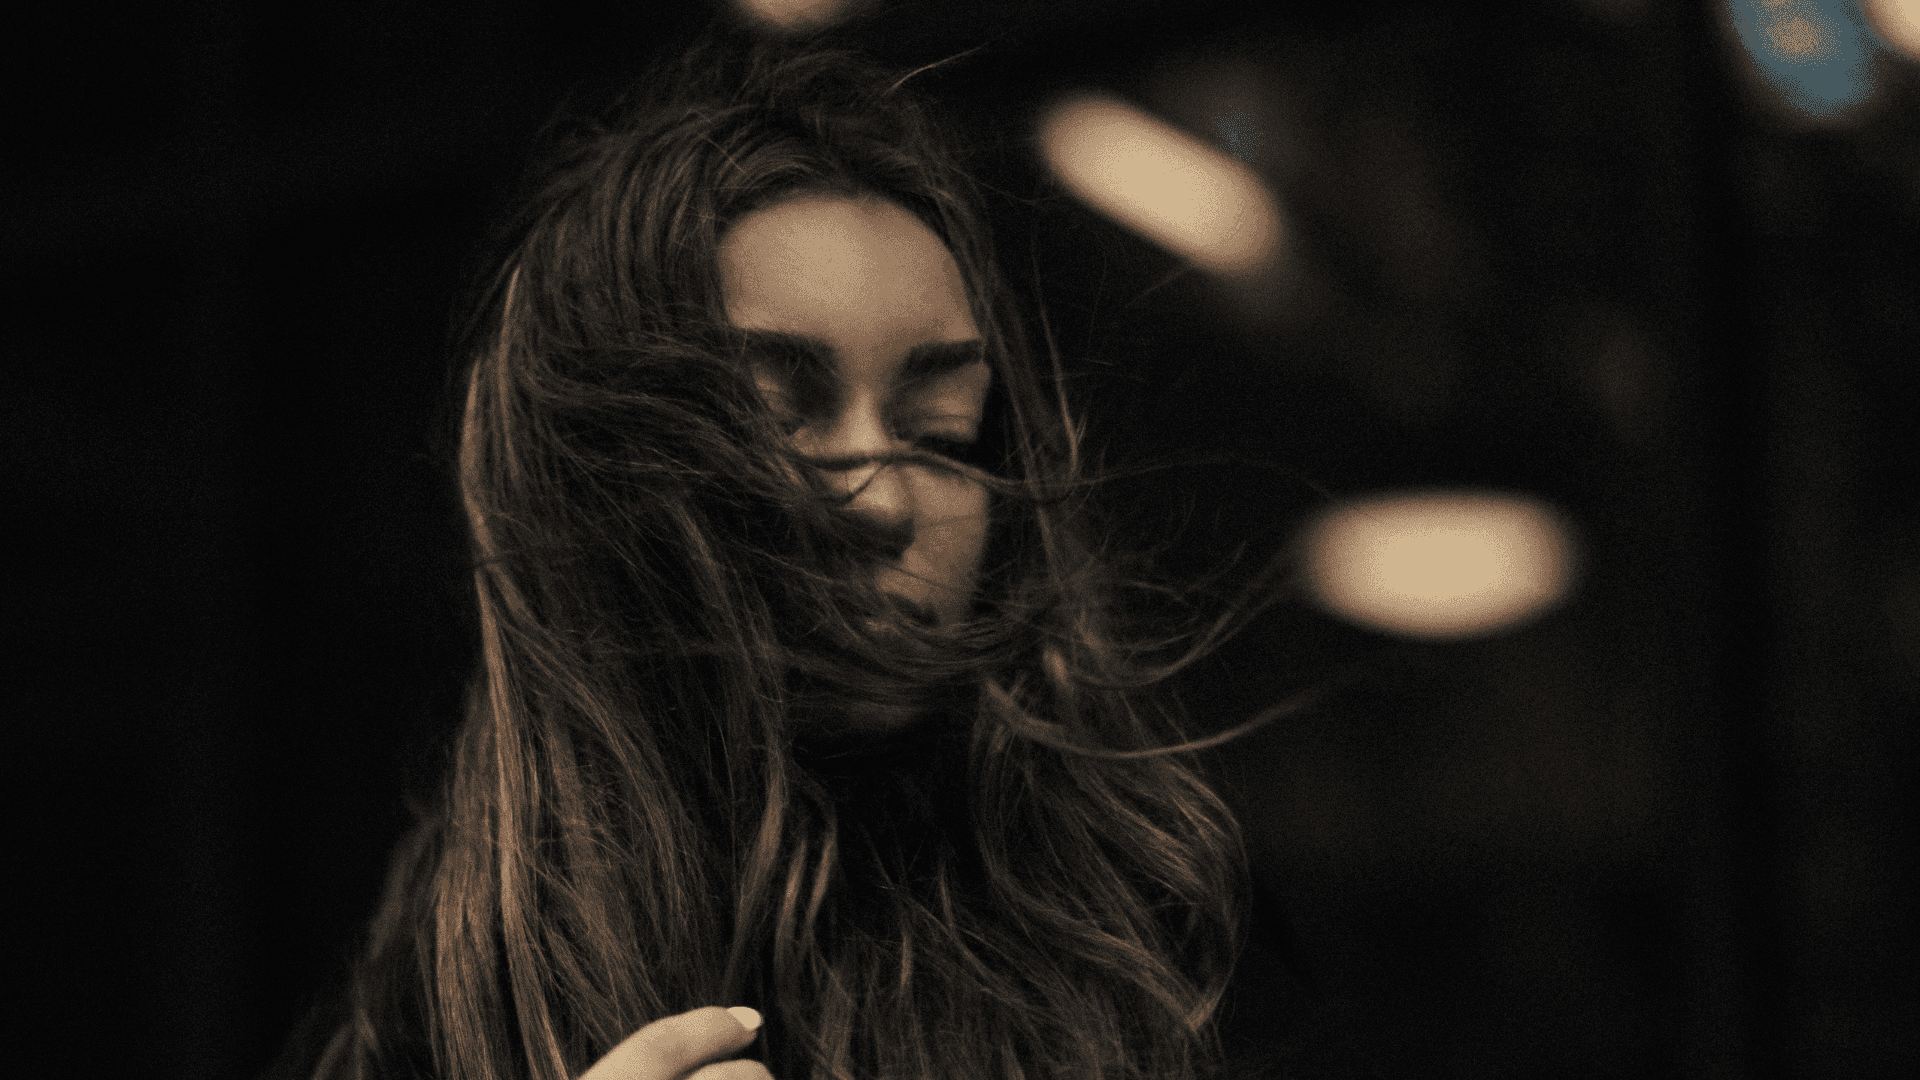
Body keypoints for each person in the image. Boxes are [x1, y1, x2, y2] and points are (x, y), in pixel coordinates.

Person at [270, 28, 1290, 1080]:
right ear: (595, 477)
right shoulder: (414, 1016)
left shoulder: (1155, 956)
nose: (883, 497)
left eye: (943, 436)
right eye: (771, 417)